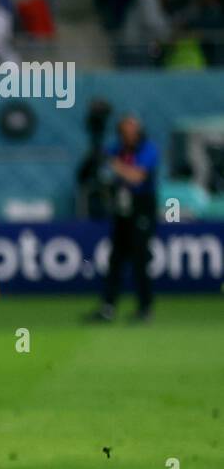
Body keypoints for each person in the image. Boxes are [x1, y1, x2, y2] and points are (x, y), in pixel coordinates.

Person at [91, 114, 158, 323]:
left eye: (131, 129)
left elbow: (137, 177)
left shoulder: (148, 149)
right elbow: (98, 166)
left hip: (142, 208)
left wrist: (113, 165)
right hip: (121, 209)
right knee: (115, 259)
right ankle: (108, 307)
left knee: (140, 259)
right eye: (124, 130)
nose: (128, 134)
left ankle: (145, 308)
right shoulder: (116, 148)